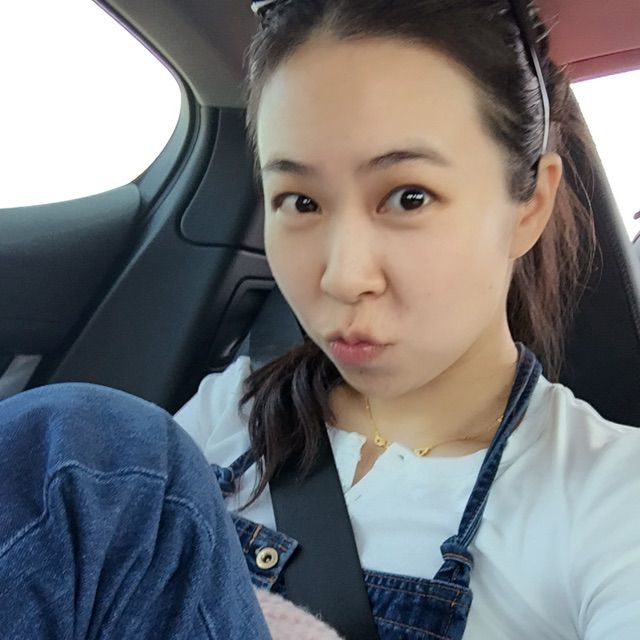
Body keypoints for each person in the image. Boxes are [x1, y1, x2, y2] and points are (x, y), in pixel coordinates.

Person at [1, 1, 639, 639]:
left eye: (408, 197)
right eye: (301, 202)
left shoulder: (611, 499)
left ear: (530, 205)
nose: (342, 276)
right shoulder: (231, 412)